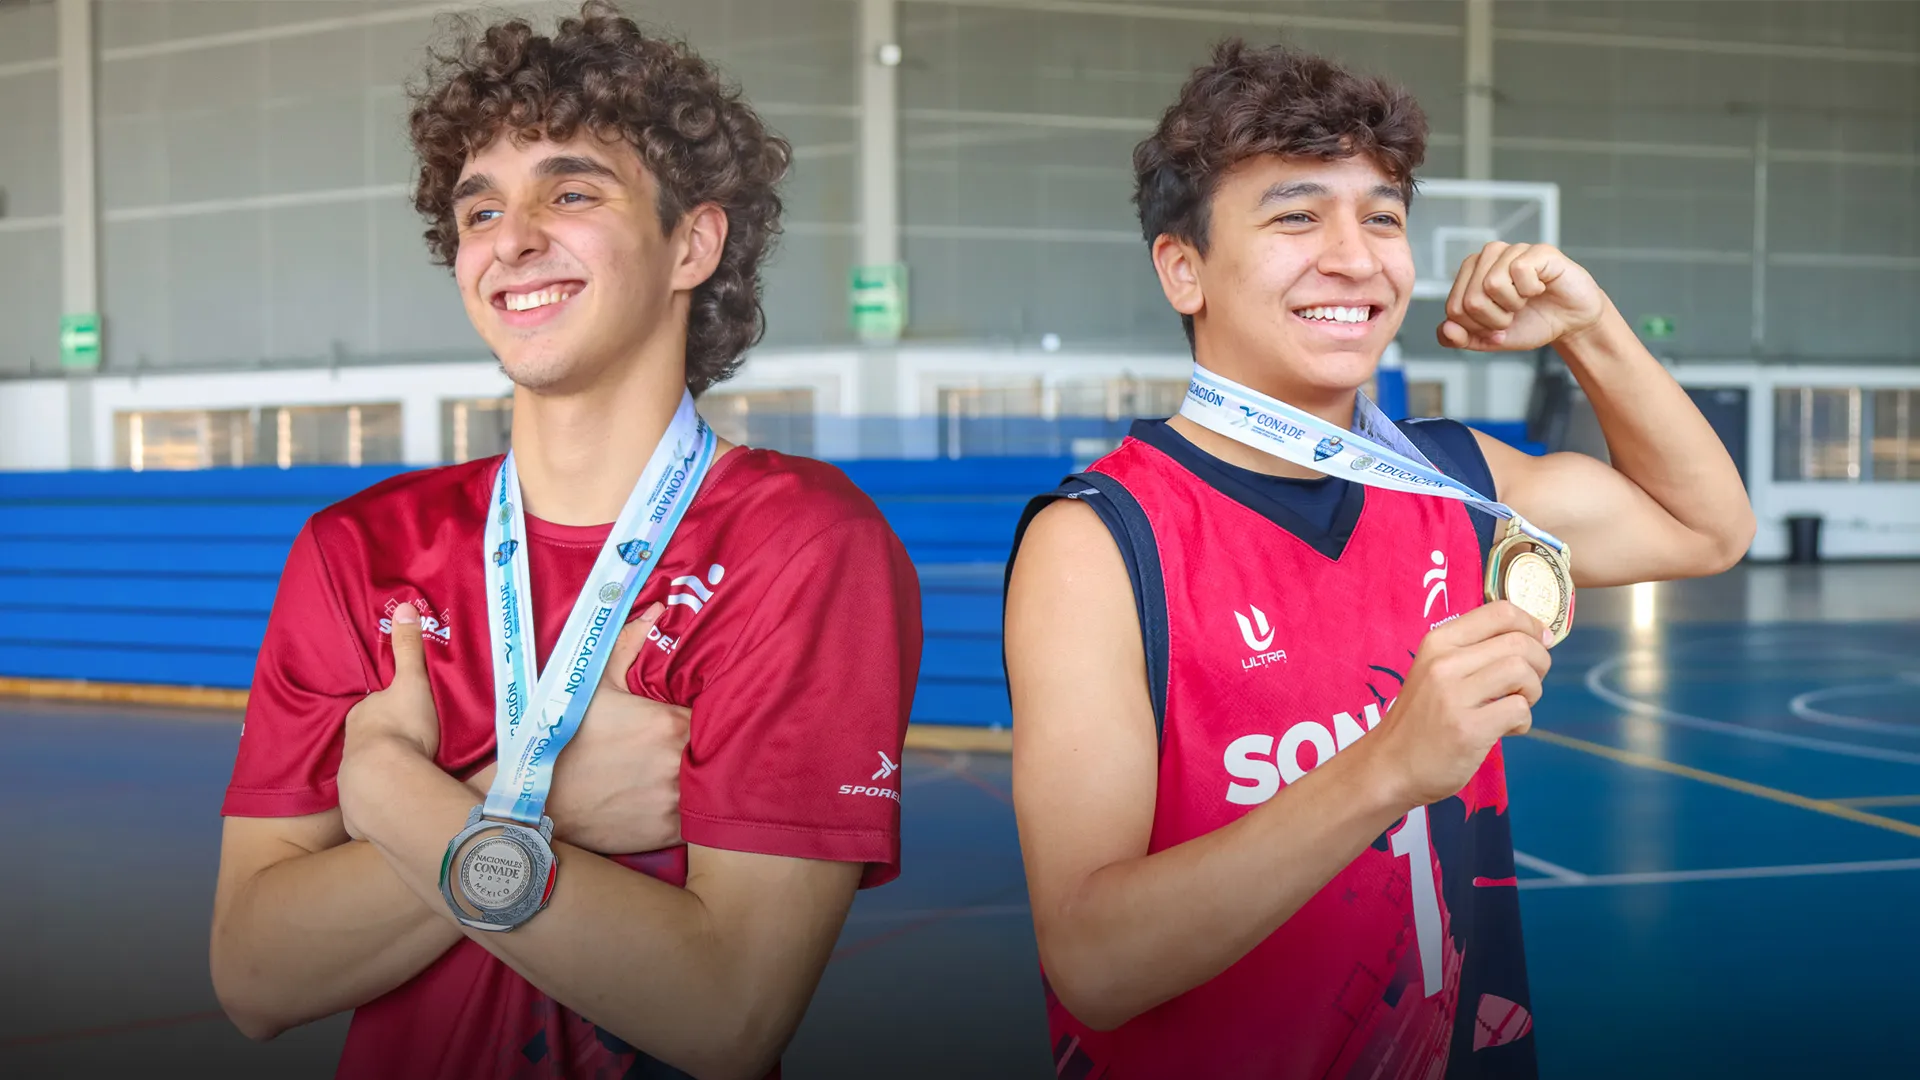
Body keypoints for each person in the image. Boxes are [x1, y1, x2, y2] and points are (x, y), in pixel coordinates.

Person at [1003, 40, 1754, 1079]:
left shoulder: (1454, 482)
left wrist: (1589, 327)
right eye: (1297, 215)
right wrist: (1389, 767)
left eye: (1384, 217)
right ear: (1184, 268)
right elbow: (1094, 960)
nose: (1355, 257)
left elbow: (1707, 529)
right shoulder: (1099, 540)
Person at [208, 5, 922, 1078]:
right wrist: (547, 797)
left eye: (572, 191)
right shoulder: (359, 552)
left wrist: (398, 795)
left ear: (693, 242)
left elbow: (725, 1013)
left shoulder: (805, 547)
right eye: (481, 208)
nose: (513, 237)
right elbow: (256, 975)